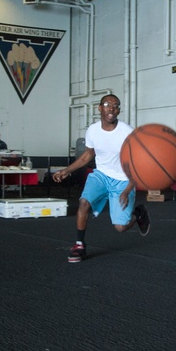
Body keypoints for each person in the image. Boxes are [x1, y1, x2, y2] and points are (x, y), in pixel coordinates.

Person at [52, 94, 151, 263]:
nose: (111, 108)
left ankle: (138, 214)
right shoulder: (93, 130)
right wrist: (67, 170)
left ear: (118, 110)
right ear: (100, 108)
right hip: (101, 175)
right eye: (107, 104)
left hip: (123, 180)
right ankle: (79, 245)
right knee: (83, 203)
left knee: (120, 227)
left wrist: (127, 190)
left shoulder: (128, 133)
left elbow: (138, 165)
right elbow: (88, 155)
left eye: (116, 106)